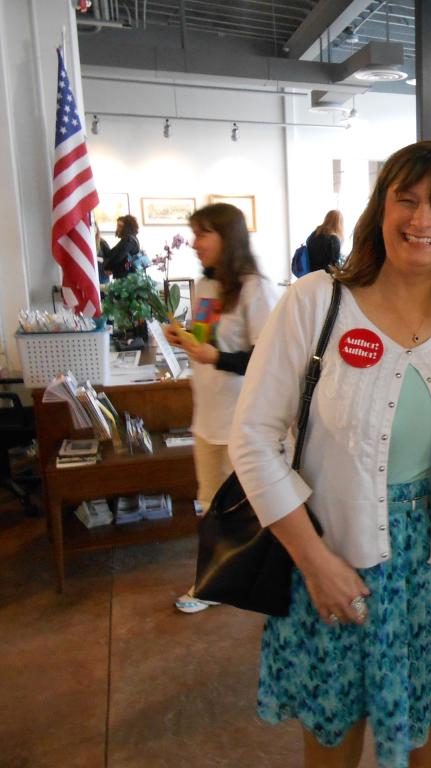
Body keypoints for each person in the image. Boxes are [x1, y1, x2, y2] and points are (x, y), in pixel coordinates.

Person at [229, 140, 431, 768]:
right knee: (332, 756)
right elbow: (253, 438)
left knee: (421, 757)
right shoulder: (317, 302)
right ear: (381, 208)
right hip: (332, 565)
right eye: (407, 199)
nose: (422, 220)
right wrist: (313, 561)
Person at [164, 203, 279, 614]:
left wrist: (216, 358)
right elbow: (204, 340)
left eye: (202, 235)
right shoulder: (207, 286)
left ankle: (244, 583)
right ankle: (214, 583)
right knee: (210, 504)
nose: (194, 244)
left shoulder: (254, 288)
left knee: (249, 511)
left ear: (226, 239)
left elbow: (268, 357)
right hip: (207, 418)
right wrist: (181, 338)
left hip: (242, 421)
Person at [105, 215, 141, 279]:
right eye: (117, 226)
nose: (118, 228)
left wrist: (109, 268)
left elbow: (120, 256)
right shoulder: (132, 238)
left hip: (126, 275)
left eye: (120, 226)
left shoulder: (128, 240)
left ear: (127, 227)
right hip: (128, 274)